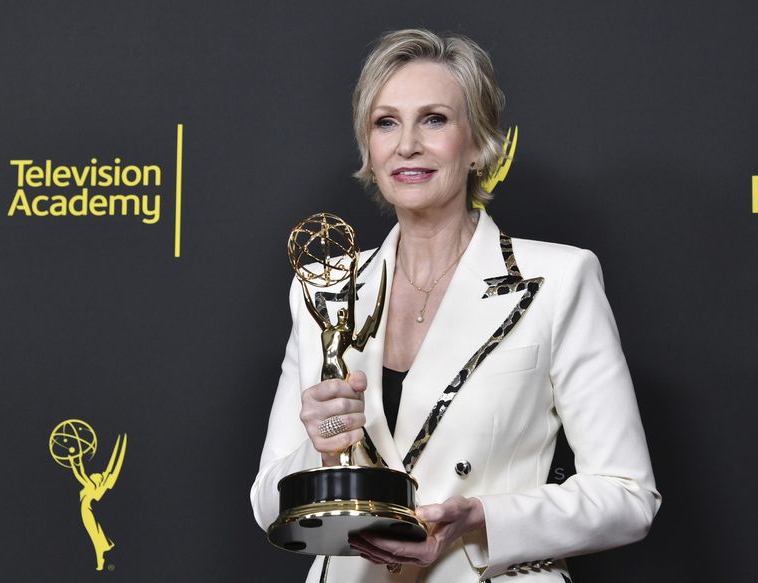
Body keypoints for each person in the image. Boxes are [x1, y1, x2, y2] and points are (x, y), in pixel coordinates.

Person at [250, 29, 661, 582]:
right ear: (368, 148)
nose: (407, 145)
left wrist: (480, 520)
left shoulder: (559, 279)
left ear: (479, 142)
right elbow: (268, 507)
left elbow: (629, 498)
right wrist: (321, 458)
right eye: (386, 122)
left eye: (435, 119)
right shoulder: (322, 289)